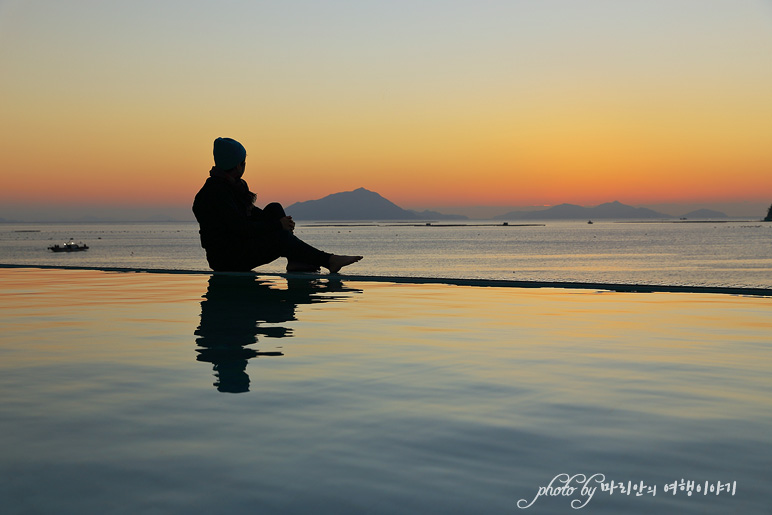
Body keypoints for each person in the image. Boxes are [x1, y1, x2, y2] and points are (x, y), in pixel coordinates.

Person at [193, 137, 362, 273]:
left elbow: (251, 214)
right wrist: (277, 225)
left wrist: (281, 222)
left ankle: (295, 260)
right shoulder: (215, 193)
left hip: (238, 247)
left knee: (275, 208)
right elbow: (240, 228)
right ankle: (329, 260)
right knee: (281, 237)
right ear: (238, 165)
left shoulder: (230, 187)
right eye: (243, 162)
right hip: (227, 259)